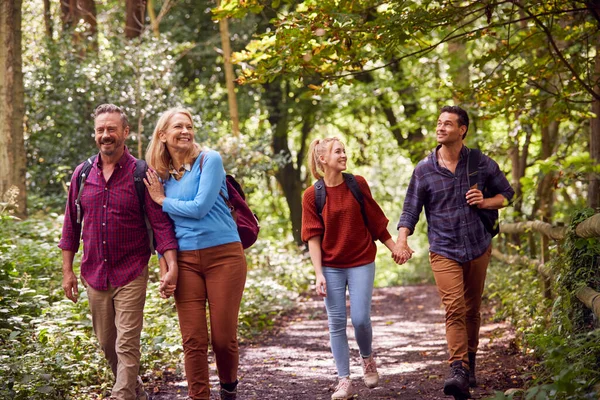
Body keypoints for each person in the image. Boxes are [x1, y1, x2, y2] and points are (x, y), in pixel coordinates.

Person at [392, 105, 514, 399]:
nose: (441, 127)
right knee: (454, 309)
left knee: (472, 309)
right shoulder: (424, 169)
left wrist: (485, 202)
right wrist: (402, 240)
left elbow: (507, 196)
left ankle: (470, 362)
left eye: (448, 124)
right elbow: (411, 209)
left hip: (477, 246)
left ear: (462, 130)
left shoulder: (481, 163)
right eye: (439, 123)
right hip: (443, 248)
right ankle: (457, 368)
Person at [59, 104, 179, 400]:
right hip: (95, 273)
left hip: (131, 270)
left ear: (125, 132)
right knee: (106, 342)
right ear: (95, 135)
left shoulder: (142, 174)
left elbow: (160, 224)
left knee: (126, 342)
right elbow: (70, 226)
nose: (106, 135)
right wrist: (67, 271)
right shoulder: (83, 174)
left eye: (112, 129)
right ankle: (135, 390)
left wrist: (171, 264)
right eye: (101, 130)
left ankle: (121, 395)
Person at [144, 107, 247, 400]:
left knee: (222, 338)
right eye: (178, 126)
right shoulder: (160, 178)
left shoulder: (208, 160)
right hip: (186, 261)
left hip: (224, 257)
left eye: (189, 126)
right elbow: (160, 227)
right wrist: (165, 265)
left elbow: (201, 208)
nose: (186, 131)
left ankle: (228, 387)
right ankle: (198, 396)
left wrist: (163, 201)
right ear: (162, 135)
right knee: (193, 339)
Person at [301, 137, 396, 400]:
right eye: (338, 151)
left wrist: (394, 248)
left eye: (344, 150)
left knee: (361, 319)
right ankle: (344, 380)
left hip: (361, 261)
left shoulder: (357, 184)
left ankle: (367, 358)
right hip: (331, 266)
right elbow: (312, 237)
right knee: (336, 323)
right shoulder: (312, 195)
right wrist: (318, 273)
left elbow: (376, 222)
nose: (344, 155)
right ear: (323, 159)